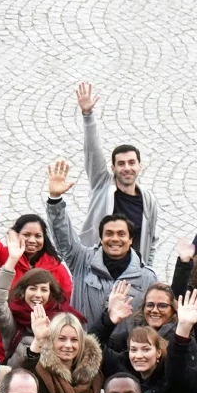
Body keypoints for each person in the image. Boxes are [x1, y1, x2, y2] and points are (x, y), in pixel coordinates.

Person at [47, 167, 160, 328]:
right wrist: (55, 200)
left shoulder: (147, 277)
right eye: (109, 234)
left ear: (130, 240)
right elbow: (64, 238)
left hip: (129, 344)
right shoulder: (82, 261)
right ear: (101, 238)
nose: (115, 239)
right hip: (84, 342)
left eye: (121, 234)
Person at [72, 80, 161, 261]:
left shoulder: (148, 200)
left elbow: (151, 239)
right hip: (98, 266)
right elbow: (93, 151)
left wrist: (146, 267)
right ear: (113, 168)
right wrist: (88, 115)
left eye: (131, 163)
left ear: (140, 167)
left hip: (131, 270)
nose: (126, 168)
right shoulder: (102, 184)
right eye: (121, 164)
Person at [0, 182, 76, 318]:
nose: (32, 240)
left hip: (45, 326)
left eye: (38, 236)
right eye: (26, 235)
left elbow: (67, 302)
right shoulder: (3, 257)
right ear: (16, 235)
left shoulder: (57, 268)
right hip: (7, 327)